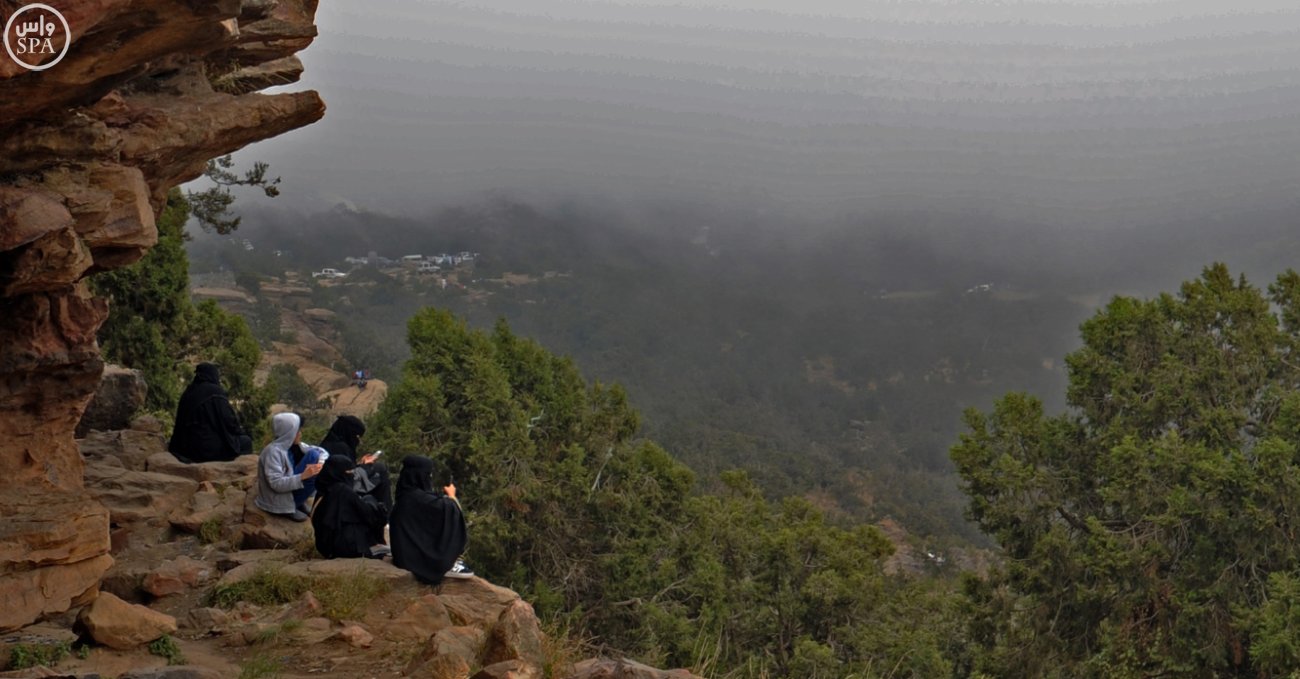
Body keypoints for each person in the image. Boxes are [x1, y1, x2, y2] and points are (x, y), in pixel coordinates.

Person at [390, 456, 473, 584]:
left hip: (403, 556)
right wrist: (451, 496)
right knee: (449, 512)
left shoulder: (405, 495)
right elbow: (453, 510)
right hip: (415, 561)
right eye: (428, 474)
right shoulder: (419, 499)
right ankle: (448, 563)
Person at [168, 363, 252, 463]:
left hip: (184, 449)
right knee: (246, 442)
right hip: (206, 449)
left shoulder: (188, 392)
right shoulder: (215, 392)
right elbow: (228, 420)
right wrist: (240, 432)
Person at [311, 456, 390, 559]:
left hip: (325, 546)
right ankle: (373, 545)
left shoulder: (324, 488)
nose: (352, 474)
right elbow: (368, 514)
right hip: (344, 548)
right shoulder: (344, 491)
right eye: (349, 471)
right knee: (373, 506)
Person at [254, 412, 323, 521]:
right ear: (288, 433)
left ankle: (299, 502)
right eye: (297, 431)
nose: (300, 434)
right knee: (315, 477)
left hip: (287, 490)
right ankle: (288, 508)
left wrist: (321, 462)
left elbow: (320, 452)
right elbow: (276, 483)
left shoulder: (288, 446)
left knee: (314, 455)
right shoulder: (273, 452)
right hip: (277, 499)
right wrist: (303, 476)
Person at [319, 415, 391, 509]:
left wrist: (360, 464)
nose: (359, 441)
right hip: (340, 491)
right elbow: (347, 477)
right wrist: (364, 466)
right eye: (357, 436)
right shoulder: (340, 448)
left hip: (338, 487)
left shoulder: (330, 442)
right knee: (379, 470)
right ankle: (385, 511)